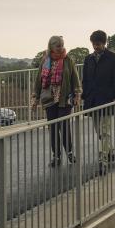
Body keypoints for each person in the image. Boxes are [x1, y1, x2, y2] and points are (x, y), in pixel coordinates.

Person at [32, 35, 81, 167]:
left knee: (64, 126)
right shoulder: (45, 60)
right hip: (49, 99)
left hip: (64, 99)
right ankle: (57, 156)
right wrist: (35, 98)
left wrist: (77, 94)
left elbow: (75, 79)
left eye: (62, 45)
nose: (61, 48)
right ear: (51, 47)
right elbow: (38, 80)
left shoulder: (68, 60)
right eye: (58, 46)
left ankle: (69, 152)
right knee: (53, 128)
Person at [81, 30, 115, 175]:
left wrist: (111, 96)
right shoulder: (88, 59)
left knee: (104, 131)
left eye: (98, 44)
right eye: (93, 44)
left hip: (106, 100)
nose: (95, 47)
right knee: (99, 132)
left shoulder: (113, 58)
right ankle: (110, 151)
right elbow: (85, 79)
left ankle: (102, 160)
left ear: (104, 43)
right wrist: (84, 95)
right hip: (92, 100)